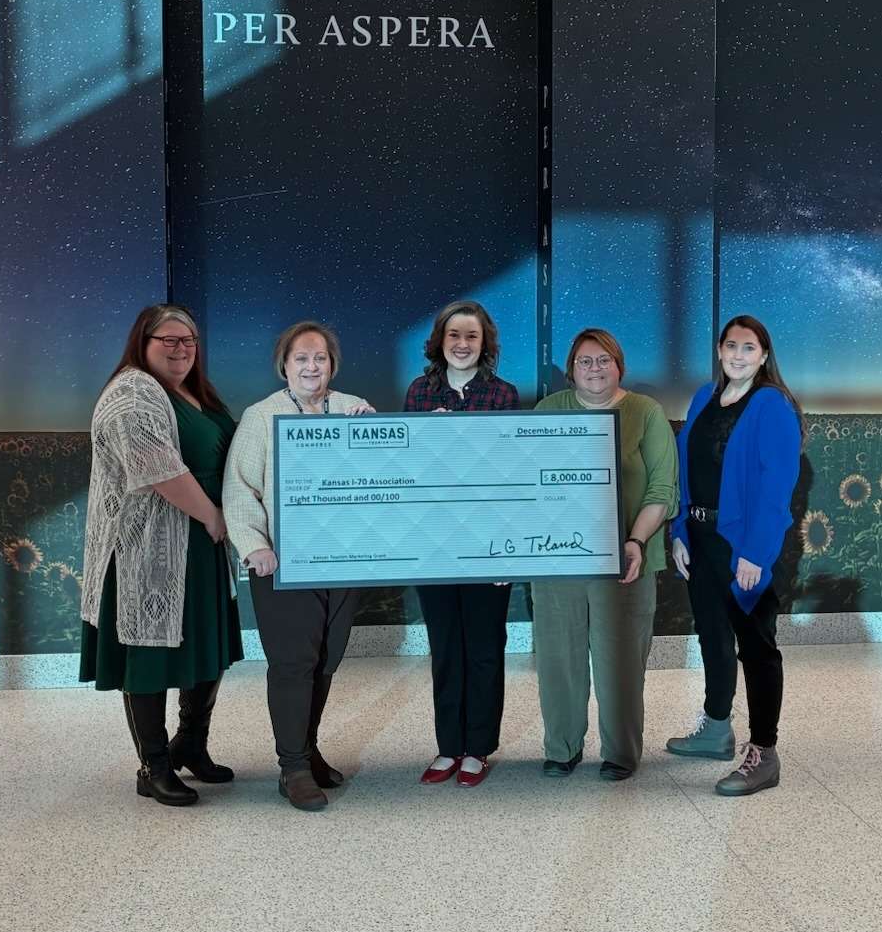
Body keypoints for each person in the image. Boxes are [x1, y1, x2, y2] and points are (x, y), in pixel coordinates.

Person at [79, 304, 243, 808]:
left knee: (205, 647)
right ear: (142, 343)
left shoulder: (194, 392)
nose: (180, 349)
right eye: (168, 340)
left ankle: (190, 744)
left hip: (201, 544)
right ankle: (153, 766)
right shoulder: (132, 393)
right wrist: (213, 517)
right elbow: (158, 469)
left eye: (188, 340)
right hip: (149, 549)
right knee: (148, 657)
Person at [223, 321, 375, 811]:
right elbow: (239, 488)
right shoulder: (261, 417)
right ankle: (291, 768)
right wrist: (255, 546)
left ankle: (307, 752)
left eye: (321, 358)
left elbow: (380, 476)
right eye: (302, 358)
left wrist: (374, 432)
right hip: (283, 564)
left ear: (333, 364)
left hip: (342, 560)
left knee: (326, 660)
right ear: (284, 365)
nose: (312, 367)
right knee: (294, 664)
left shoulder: (352, 408)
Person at [665, 314, 803, 797]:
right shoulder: (705, 396)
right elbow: (684, 468)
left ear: (763, 356)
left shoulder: (772, 405)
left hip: (744, 545)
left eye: (748, 348)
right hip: (699, 538)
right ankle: (716, 728)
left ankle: (764, 752)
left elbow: (777, 486)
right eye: (731, 346)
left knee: (756, 647)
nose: (738, 355)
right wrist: (679, 531)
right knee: (712, 635)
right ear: (720, 351)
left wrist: (756, 554)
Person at [531, 329, 678, 781]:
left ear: (619, 366)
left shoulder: (645, 413)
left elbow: (662, 489)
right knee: (558, 659)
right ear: (571, 369)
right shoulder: (548, 411)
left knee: (621, 662)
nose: (594, 369)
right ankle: (562, 748)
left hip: (626, 563)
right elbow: (524, 480)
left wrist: (635, 542)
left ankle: (620, 753)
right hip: (558, 563)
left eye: (603, 360)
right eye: (584, 361)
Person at [403, 299, 520, 788]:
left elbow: (511, 474)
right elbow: (407, 469)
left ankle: (477, 749)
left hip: (487, 542)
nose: (463, 344)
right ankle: (448, 746)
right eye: (454, 335)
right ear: (440, 341)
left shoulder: (503, 394)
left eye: (472, 335)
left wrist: (508, 550)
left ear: (484, 342)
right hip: (433, 543)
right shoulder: (419, 392)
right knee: (446, 648)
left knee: (485, 648)